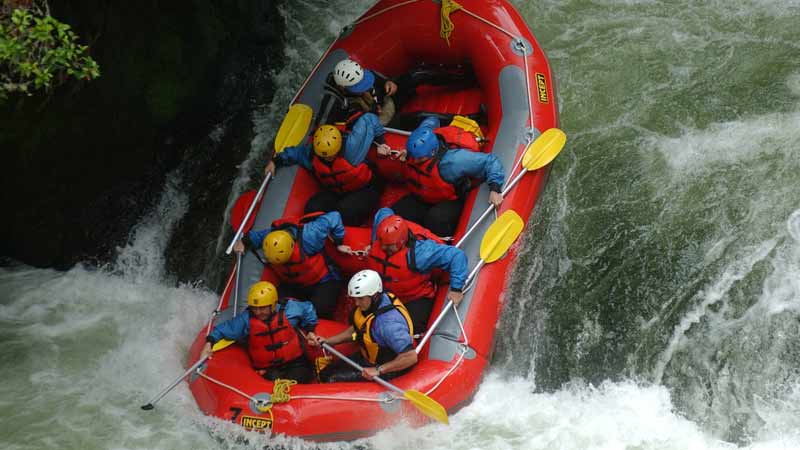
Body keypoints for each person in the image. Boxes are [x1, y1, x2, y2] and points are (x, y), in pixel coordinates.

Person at [378, 116, 506, 236]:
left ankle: (445, 241)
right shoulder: (421, 140)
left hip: (451, 199)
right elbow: (432, 120)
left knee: (435, 221)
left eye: (419, 158)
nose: (414, 160)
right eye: (413, 156)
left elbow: (490, 161)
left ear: (432, 152)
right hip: (423, 195)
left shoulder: (452, 162)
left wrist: (495, 189)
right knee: (395, 213)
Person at [265, 113, 385, 226]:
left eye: (331, 154)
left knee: (346, 211)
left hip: (365, 188)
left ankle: (352, 226)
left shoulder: (352, 148)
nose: (328, 158)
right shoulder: (313, 154)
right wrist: (276, 161)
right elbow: (297, 153)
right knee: (311, 209)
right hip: (337, 192)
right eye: (325, 156)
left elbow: (369, 119)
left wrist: (381, 142)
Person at [366, 208, 468, 332]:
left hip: (415, 296)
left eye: (388, 245)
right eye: (381, 242)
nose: (382, 247)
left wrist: (456, 289)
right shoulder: (383, 231)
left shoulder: (420, 254)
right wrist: (372, 244)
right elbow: (384, 211)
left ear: (401, 242)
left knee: (411, 328)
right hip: (385, 291)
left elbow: (456, 256)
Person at [233, 211, 349, 320]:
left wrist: (338, 242)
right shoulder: (271, 237)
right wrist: (243, 242)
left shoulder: (310, 235)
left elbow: (334, 216)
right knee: (269, 307)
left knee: (320, 310)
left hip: (323, 280)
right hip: (295, 284)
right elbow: (255, 237)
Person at [201, 281, 319, 383]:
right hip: (268, 368)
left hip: (295, 362)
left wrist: (310, 331)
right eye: (254, 308)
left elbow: (308, 309)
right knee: (273, 381)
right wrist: (208, 343)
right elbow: (223, 330)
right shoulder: (246, 319)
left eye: (262, 308)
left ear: (272, 305)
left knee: (300, 377)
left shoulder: (290, 310)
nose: (258, 312)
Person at [312, 270, 417, 382]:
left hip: (385, 367)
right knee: (325, 374)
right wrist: (328, 341)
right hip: (367, 358)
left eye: (361, 298)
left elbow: (410, 357)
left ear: (375, 295)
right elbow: (359, 327)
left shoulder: (389, 325)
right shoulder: (372, 304)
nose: (356, 303)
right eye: (355, 299)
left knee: (332, 380)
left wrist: (379, 370)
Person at [318, 58, 413, 126]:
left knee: (414, 77)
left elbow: (378, 77)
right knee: (411, 120)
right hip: (376, 122)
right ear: (342, 88)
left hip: (385, 102)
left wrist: (387, 82)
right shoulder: (336, 102)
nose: (363, 88)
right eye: (358, 87)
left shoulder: (362, 74)